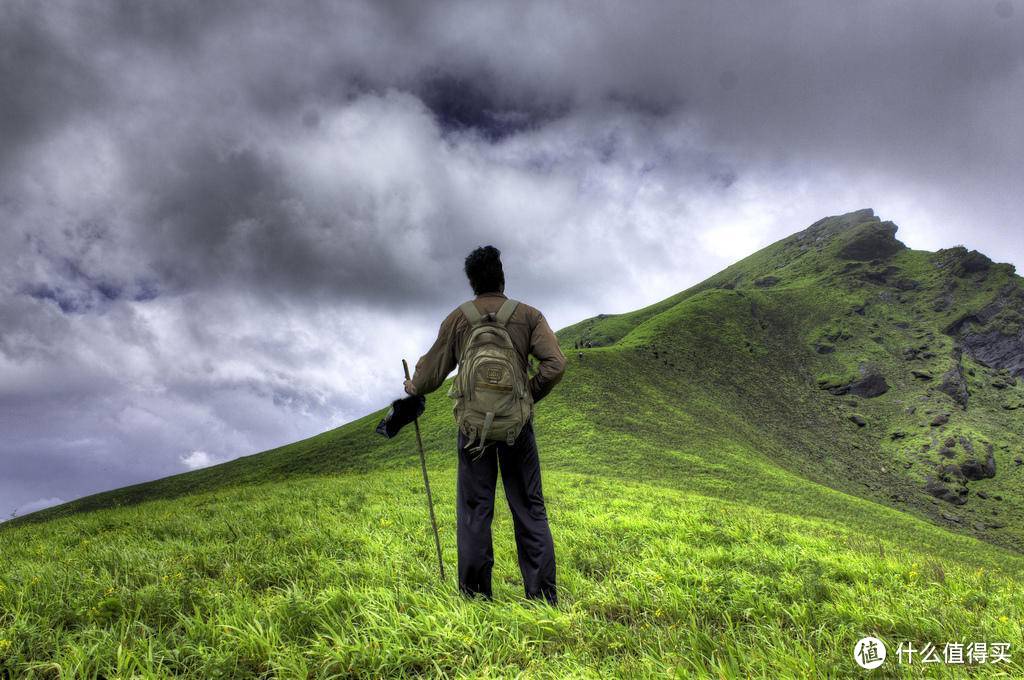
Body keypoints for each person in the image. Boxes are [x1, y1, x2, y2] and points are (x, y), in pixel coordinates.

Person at [404, 245, 566, 604]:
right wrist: (525, 397)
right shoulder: (529, 316)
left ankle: (476, 600)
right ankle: (542, 600)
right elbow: (555, 364)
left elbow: (431, 374)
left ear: (472, 283)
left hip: (473, 430)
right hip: (516, 429)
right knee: (529, 509)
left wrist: (412, 385)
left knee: (475, 513)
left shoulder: (458, 319)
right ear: (502, 278)